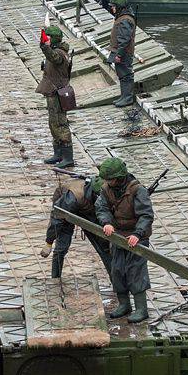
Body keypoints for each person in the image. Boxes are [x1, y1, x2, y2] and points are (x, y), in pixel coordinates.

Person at [95, 157, 153, 324]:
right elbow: (101, 207)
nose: (108, 182)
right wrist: (106, 223)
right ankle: (124, 305)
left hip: (137, 237)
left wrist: (138, 233)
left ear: (119, 177)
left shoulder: (137, 190)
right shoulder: (106, 189)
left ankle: (141, 309)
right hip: (117, 235)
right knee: (118, 270)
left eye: (110, 179)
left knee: (136, 271)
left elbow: (146, 214)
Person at [42, 174, 110, 279]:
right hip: (66, 208)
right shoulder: (72, 197)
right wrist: (49, 242)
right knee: (62, 247)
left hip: (86, 208)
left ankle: (116, 281)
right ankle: (55, 278)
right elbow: (57, 219)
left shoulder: (104, 190)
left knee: (104, 245)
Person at [36, 25, 73, 168]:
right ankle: (58, 153)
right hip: (52, 92)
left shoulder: (60, 53)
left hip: (58, 94)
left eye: (49, 38)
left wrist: (45, 47)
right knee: (53, 123)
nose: (47, 40)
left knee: (60, 124)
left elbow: (54, 58)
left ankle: (68, 157)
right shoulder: (55, 51)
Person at [107, 0, 136, 107]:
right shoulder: (123, 17)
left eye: (114, 6)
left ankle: (127, 98)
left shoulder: (125, 19)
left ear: (119, 7)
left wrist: (119, 54)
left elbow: (124, 39)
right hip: (121, 51)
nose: (112, 9)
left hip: (124, 52)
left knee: (126, 75)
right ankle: (124, 97)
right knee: (122, 75)